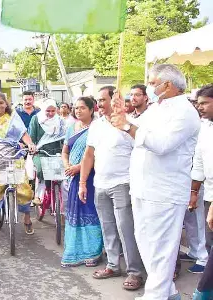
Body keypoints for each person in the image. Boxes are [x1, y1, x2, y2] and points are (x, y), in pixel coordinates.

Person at [110, 64, 201, 300]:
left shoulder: (185, 112)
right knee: (148, 247)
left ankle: (156, 295)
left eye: (152, 83)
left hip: (165, 191)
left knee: (161, 250)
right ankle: (168, 293)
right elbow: (136, 134)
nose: (150, 87)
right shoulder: (155, 108)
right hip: (142, 187)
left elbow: (161, 145)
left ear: (168, 85)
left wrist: (127, 125)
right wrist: (123, 116)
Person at [78, 86, 144, 290]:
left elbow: (144, 152)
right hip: (100, 184)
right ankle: (113, 265)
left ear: (115, 100)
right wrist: (83, 182)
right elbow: (89, 155)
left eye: (104, 100)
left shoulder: (131, 125)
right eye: (98, 100)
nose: (99, 104)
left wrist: (125, 125)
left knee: (126, 229)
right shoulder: (96, 126)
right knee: (108, 228)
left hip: (123, 183)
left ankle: (135, 272)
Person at [0, 92, 37, 234]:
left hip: (14, 153)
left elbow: (24, 134)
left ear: (6, 103)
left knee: (24, 187)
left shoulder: (13, 117)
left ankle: (27, 218)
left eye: (1, 102)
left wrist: (30, 144)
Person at [61, 96, 102, 267]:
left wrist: (79, 168)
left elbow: (97, 155)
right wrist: (68, 166)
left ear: (92, 110)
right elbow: (65, 151)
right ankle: (74, 250)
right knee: (75, 214)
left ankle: (94, 251)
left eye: (82, 108)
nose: (78, 111)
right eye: (76, 108)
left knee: (90, 213)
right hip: (73, 178)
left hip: (90, 176)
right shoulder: (72, 128)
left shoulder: (98, 128)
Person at [190, 84, 213, 299]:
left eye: (205, 103)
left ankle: (203, 292)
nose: (200, 108)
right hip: (209, 196)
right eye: (198, 104)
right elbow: (198, 162)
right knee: (209, 244)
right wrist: (194, 191)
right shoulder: (204, 127)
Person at [28, 99, 66, 205]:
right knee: (40, 170)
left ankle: (60, 200)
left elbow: (64, 138)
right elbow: (32, 137)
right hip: (40, 151)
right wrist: (33, 147)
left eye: (53, 111)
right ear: (43, 110)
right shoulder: (36, 119)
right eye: (47, 111)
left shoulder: (60, 121)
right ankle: (38, 195)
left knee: (62, 175)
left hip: (57, 152)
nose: (50, 113)